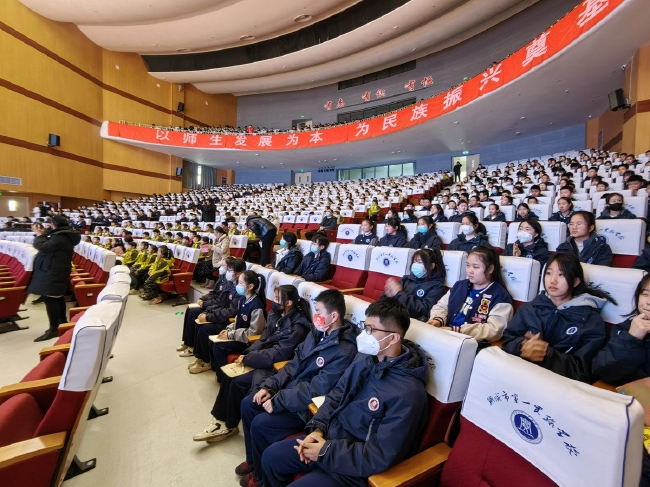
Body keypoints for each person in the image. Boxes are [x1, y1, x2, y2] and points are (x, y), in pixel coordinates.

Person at [260, 298, 428, 487]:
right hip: (331, 439)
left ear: (394, 338)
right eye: (365, 327)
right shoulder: (364, 358)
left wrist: (325, 451)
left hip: (354, 469)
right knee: (271, 457)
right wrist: (318, 429)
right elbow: (337, 394)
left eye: (372, 330)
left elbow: (379, 455)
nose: (365, 335)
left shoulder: (408, 393)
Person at [237, 289, 359, 486]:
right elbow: (294, 363)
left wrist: (278, 400)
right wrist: (271, 386)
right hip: (289, 392)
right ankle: (254, 463)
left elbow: (317, 389)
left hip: (305, 407)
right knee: (248, 403)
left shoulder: (345, 350)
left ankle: (261, 477)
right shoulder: (316, 332)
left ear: (334, 316)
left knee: (260, 424)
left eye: (319, 311)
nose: (316, 316)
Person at [193, 285, 311, 444]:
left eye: (278, 299)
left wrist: (250, 359)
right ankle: (220, 420)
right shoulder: (275, 314)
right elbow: (263, 338)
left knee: (237, 383)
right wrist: (248, 353)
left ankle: (229, 425)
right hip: (260, 358)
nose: (274, 301)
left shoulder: (298, 327)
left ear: (289, 302)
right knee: (229, 376)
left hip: (275, 367)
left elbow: (278, 354)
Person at [502, 253, 612, 383]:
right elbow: (508, 342)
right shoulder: (529, 309)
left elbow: (584, 371)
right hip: (521, 377)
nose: (553, 280)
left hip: (560, 386)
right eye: (549, 273)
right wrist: (522, 346)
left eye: (561, 275)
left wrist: (546, 354)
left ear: (575, 281)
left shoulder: (592, 321)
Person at [428, 246, 513, 342]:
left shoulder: (500, 296)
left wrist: (457, 330)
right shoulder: (459, 285)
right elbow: (441, 306)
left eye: (476, 267)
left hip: (469, 341)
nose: (470, 270)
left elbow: (494, 330)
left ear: (490, 269)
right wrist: (438, 319)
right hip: (445, 333)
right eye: (468, 265)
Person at [190, 270, 267, 375]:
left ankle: (223, 377)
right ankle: (214, 369)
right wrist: (228, 329)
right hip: (238, 336)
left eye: (241, 283)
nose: (238, 285)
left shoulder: (257, 307)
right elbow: (237, 320)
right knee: (213, 340)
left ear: (250, 286)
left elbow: (253, 333)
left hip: (247, 342)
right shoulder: (242, 300)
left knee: (218, 346)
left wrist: (230, 335)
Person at [27, 215, 81, 342]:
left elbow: (43, 246)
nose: (48, 226)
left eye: (50, 224)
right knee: (56, 297)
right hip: (54, 270)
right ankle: (62, 323)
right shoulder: (62, 235)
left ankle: (53, 328)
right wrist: (45, 233)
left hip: (54, 271)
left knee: (51, 299)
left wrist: (39, 235)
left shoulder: (61, 237)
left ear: (55, 224)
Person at [178, 258, 244, 358]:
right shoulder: (226, 280)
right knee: (190, 311)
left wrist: (207, 311)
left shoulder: (238, 289)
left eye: (228, 269)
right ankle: (188, 343)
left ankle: (201, 358)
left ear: (238, 273)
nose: (225, 270)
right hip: (218, 310)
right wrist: (203, 300)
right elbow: (215, 294)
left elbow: (225, 307)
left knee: (202, 326)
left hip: (225, 317)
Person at [593, 273, 650, 385]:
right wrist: (631, 339)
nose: (648, 302)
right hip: (624, 391)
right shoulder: (625, 328)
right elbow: (602, 371)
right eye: (645, 294)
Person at [383, 248, 446, 321]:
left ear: (431, 266)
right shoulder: (406, 279)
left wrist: (399, 293)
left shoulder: (437, 286)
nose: (415, 265)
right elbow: (390, 296)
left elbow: (424, 310)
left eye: (419, 262)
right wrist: (387, 295)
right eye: (414, 261)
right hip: (394, 315)